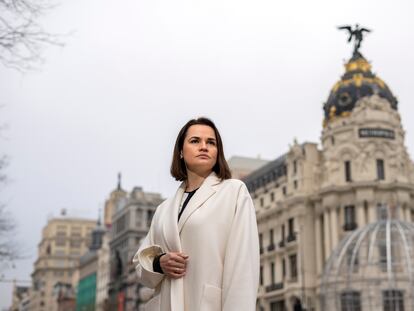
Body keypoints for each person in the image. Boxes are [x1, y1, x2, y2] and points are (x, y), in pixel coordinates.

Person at [133, 117, 259, 311]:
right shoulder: (164, 209)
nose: (204, 147)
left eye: (211, 142)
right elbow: (140, 264)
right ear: (181, 152)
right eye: (195, 141)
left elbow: (242, 267)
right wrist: (159, 263)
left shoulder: (234, 192)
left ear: (218, 152)